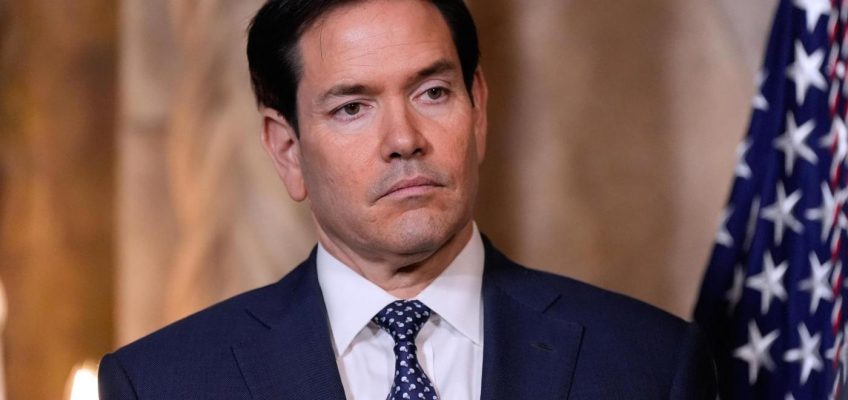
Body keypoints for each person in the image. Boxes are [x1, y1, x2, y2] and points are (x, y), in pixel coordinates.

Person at [98, 0, 717, 398]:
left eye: (432, 93)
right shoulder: (163, 383)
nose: (403, 140)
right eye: (352, 108)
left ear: (478, 110)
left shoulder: (648, 363)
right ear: (287, 150)